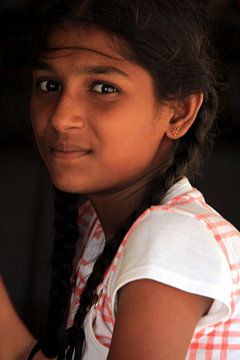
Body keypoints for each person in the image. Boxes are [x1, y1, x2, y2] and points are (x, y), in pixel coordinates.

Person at [17, 0, 240, 358]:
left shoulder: (171, 239)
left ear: (178, 113)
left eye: (104, 88)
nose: (61, 118)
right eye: (49, 84)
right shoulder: (102, 228)